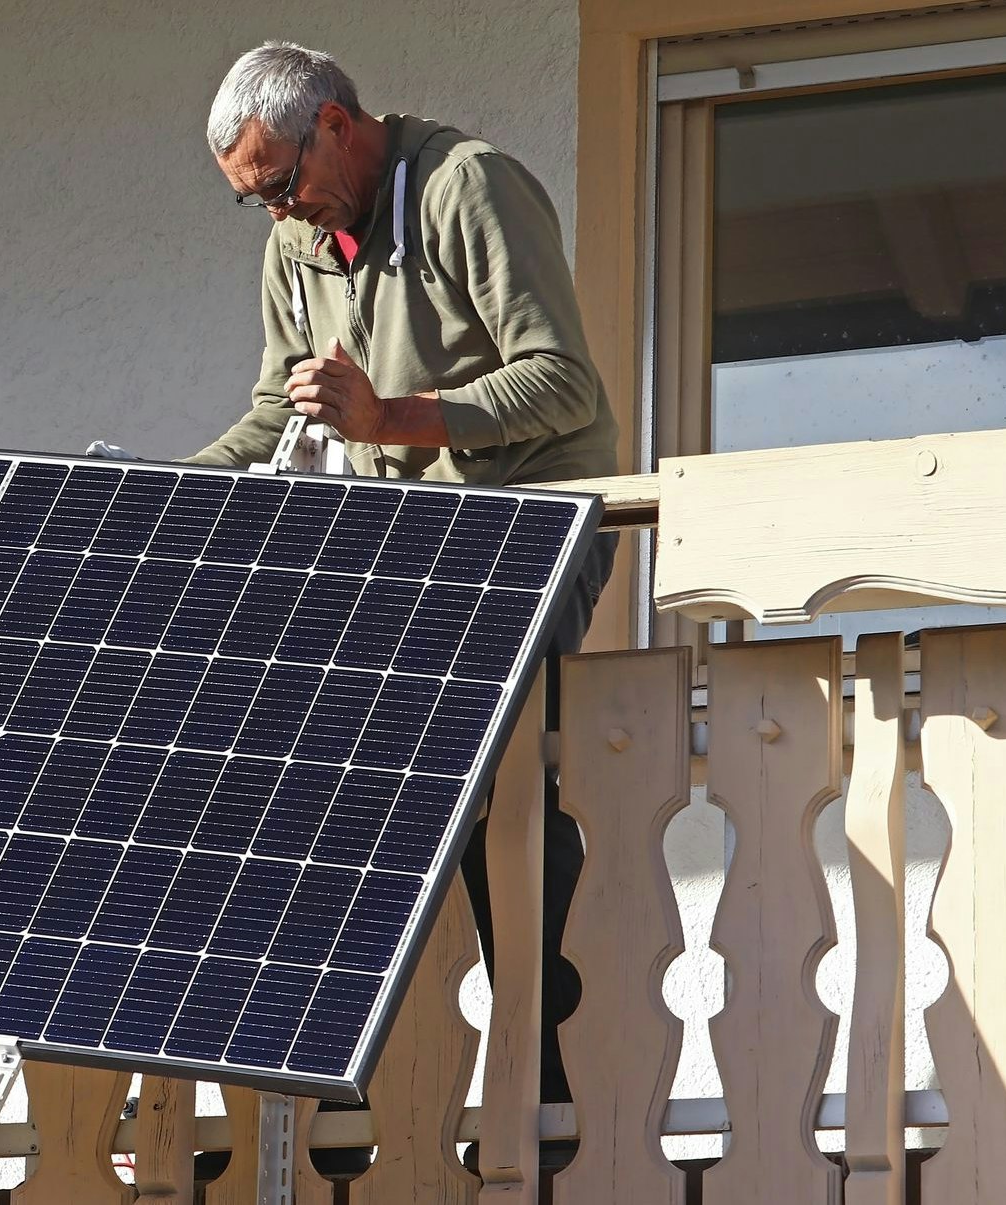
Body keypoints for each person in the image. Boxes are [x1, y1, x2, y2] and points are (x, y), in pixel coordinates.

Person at [197, 41, 621, 1123]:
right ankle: (355, 1068)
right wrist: (168, 494)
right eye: (256, 200)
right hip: (412, 542)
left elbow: (562, 382)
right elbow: (272, 411)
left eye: (283, 184)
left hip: (528, 519)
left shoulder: (464, 186)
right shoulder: (295, 244)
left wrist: (390, 420)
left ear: (337, 123)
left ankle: (539, 1053)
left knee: (490, 784)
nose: (279, 217)